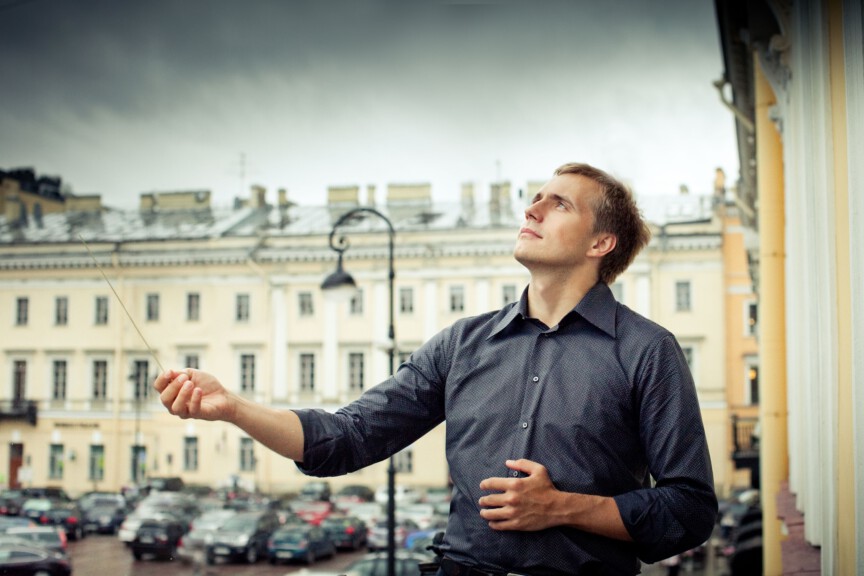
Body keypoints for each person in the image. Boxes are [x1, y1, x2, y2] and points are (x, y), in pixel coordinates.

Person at [154, 162, 718, 575]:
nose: (532, 209)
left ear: (602, 241)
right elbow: (347, 438)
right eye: (536, 197)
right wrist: (232, 408)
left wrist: (564, 507)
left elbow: (688, 510)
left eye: (559, 204)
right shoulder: (463, 344)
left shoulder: (648, 351)